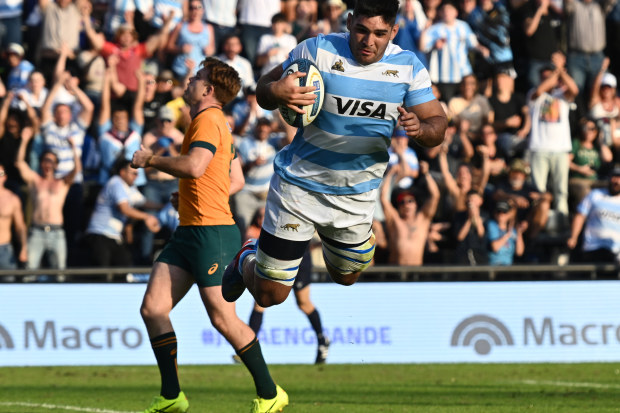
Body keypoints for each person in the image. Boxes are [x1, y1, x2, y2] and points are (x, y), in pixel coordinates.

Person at [221, 0, 446, 309]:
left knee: (346, 277)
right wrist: (276, 92)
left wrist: (421, 129)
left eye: (380, 33)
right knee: (268, 296)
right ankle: (247, 255)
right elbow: (264, 88)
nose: (369, 41)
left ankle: (338, 244)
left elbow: (438, 124)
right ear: (349, 21)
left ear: (394, 30)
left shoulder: (408, 68)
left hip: (356, 194)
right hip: (299, 187)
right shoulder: (317, 50)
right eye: (361, 30)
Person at [130, 57, 288, 413]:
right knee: (153, 308)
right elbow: (235, 179)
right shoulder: (216, 123)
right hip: (189, 231)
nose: (190, 79)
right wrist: (187, 194)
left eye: (197, 76)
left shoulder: (207, 121)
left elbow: (194, 166)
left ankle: (270, 392)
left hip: (212, 234)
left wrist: (150, 160)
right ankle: (172, 397)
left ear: (209, 89)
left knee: (223, 318)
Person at [240, 209, 330, 365]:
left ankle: (322, 340)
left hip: (300, 258)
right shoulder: (257, 230)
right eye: (260, 215)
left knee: (304, 303)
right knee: (260, 301)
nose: (262, 218)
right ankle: (248, 346)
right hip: (275, 258)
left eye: (264, 215)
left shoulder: (289, 215)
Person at [15, 121, 80, 271]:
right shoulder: (35, 181)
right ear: (41, 163)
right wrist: (24, 140)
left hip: (57, 232)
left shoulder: (62, 183)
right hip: (37, 231)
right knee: (29, 271)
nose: (48, 164)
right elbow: (19, 163)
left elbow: (77, 169)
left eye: (51, 161)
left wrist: (73, 148)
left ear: (56, 165)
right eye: (45, 161)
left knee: (60, 273)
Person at [527, 52, 579, 220]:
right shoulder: (534, 95)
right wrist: (558, 70)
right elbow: (541, 89)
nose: (547, 80)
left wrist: (560, 71)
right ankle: (539, 219)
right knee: (538, 190)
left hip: (560, 149)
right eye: (544, 77)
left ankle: (561, 219)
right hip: (539, 148)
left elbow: (575, 89)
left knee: (561, 190)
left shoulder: (562, 96)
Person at [84, 159, 161, 267]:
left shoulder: (130, 188)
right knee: (102, 274)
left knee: (123, 268)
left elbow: (144, 203)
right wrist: (147, 217)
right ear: (122, 172)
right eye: (133, 173)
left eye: (137, 174)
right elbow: (124, 209)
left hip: (114, 237)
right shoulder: (116, 183)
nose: (136, 176)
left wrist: (166, 205)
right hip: (99, 235)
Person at [380, 161, 440, 265]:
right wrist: (390, 174)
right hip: (396, 272)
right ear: (399, 207)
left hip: (416, 274)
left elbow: (435, 196)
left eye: (410, 201)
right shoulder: (395, 221)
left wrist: (426, 174)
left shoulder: (422, 219)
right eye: (402, 202)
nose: (406, 205)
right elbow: (383, 198)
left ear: (416, 204)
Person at [567, 164, 620, 263]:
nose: (617, 181)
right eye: (614, 177)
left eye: (619, 178)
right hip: (593, 247)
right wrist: (573, 237)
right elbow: (580, 216)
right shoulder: (595, 195)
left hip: (615, 249)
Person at [0, 163, 27, 270]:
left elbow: (20, 226)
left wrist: (24, 247)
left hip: (4, 249)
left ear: (5, 177)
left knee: (10, 284)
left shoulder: (12, 199)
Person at [486, 200, 527, 265]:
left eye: (504, 212)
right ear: (494, 213)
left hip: (507, 267)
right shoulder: (491, 225)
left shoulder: (513, 231)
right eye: (498, 211)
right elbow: (495, 247)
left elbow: (519, 252)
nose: (501, 214)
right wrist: (508, 235)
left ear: (508, 215)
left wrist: (519, 233)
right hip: (494, 265)